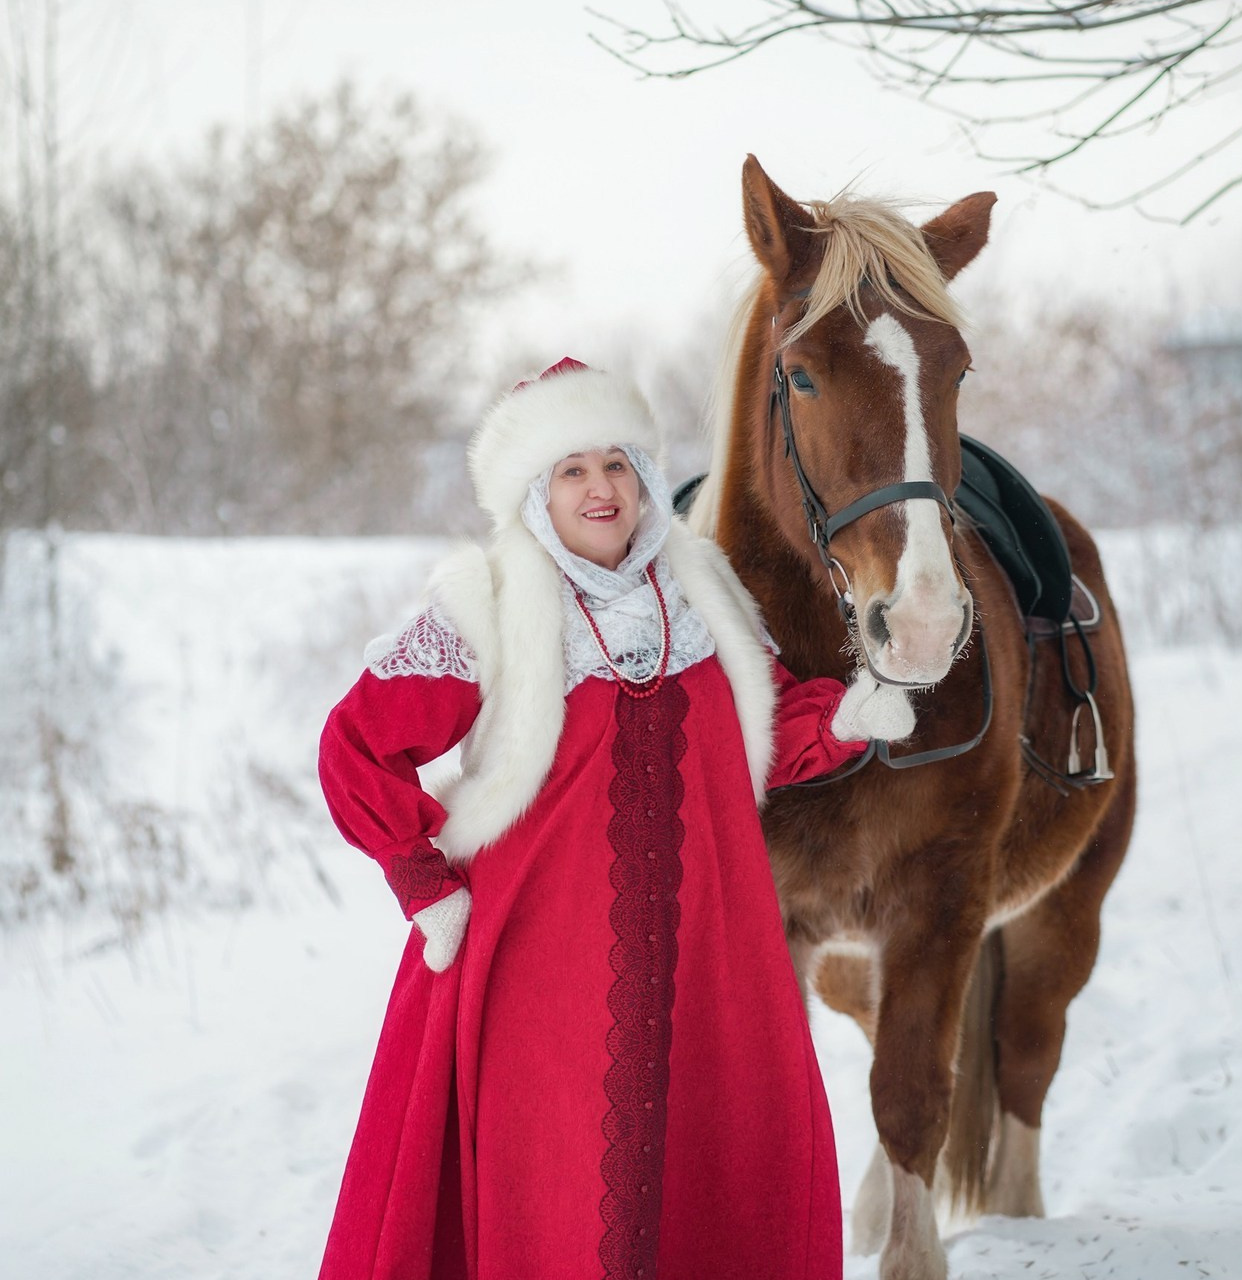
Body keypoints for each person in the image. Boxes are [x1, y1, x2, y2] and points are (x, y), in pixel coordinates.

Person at [315, 357, 915, 1280]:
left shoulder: (702, 591)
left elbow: (764, 731)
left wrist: (850, 714)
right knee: (557, 1182)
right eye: (572, 470)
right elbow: (356, 745)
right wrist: (423, 883)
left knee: (709, 1171)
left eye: (617, 464)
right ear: (534, 491)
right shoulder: (487, 605)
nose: (601, 488)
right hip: (535, 969)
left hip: (706, 955)